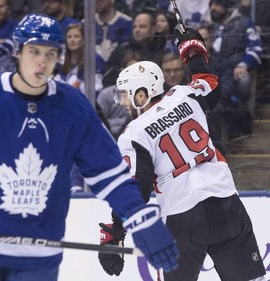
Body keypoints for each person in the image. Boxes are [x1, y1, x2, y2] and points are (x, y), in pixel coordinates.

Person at [0, 13, 179, 280]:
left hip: (39, 252)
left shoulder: (72, 107)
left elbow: (110, 174)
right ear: (17, 52)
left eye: (50, 53)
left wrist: (140, 218)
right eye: (34, 52)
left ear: (60, 57)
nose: (42, 62)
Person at [99, 27, 266, 280]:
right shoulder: (184, 95)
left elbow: (138, 189)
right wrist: (193, 51)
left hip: (182, 216)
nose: (122, 102)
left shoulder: (133, 133)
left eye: (125, 95)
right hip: (225, 203)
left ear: (141, 94)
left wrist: (116, 230)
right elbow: (211, 84)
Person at [209, 0, 263, 140]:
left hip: (234, 73)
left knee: (243, 80)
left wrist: (243, 65)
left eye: (217, 4)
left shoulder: (244, 24)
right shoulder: (209, 27)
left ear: (227, 5)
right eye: (211, 5)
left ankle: (240, 121)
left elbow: (255, 50)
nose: (213, 8)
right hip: (212, 74)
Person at [103, 11, 166, 88]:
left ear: (153, 29)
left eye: (142, 26)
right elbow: (108, 77)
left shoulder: (162, 48)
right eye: (135, 27)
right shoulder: (121, 50)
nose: (137, 30)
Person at [56, 23, 105, 96]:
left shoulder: (94, 59)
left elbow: (96, 89)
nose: (72, 40)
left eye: (76, 36)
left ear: (84, 39)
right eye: (69, 37)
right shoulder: (61, 59)